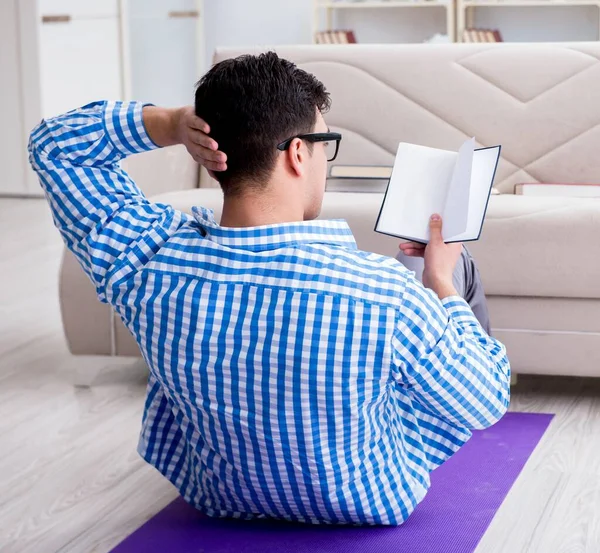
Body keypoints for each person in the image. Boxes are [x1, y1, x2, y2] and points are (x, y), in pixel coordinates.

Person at [29, 52, 510, 526]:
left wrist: (173, 123)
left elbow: (54, 146)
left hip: (217, 495)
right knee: (451, 303)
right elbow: (484, 402)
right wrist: (441, 284)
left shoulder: (147, 262)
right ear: (299, 153)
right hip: (365, 502)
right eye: (326, 144)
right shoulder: (386, 294)